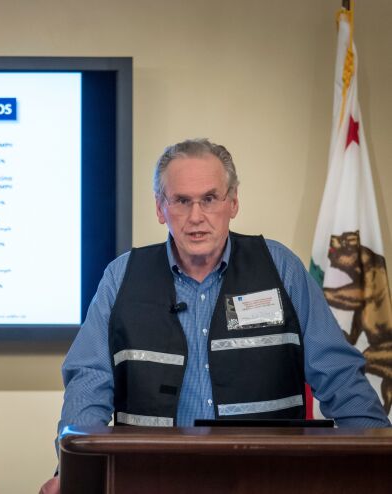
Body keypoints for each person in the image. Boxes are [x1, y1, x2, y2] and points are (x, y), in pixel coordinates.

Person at [38, 138, 390, 494]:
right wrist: (71, 471)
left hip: (269, 478)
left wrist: (378, 465)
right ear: (161, 208)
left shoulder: (281, 268)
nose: (196, 217)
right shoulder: (121, 277)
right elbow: (88, 383)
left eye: (209, 199)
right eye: (181, 201)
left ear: (233, 202)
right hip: (151, 477)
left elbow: (341, 378)